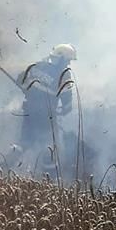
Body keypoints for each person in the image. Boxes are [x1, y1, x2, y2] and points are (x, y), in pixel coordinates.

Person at [16, 44, 77, 172]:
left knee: (23, 144)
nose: (68, 64)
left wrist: (28, 90)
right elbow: (67, 103)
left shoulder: (37, 66)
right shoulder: (64, 75)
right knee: (50, 147)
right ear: (61, 59)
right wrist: (64, 110)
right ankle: (49, 179)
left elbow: (20, 80)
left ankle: (2, 166)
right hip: (46, 117)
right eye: (67, 61)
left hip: (29, 113)